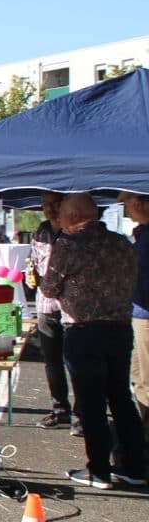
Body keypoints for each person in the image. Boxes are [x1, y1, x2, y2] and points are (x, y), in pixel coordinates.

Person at [40, 192, 145, 490]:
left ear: (74, 216)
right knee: (121, 398)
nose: (59, 219)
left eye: (62, 213)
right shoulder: (121, 243)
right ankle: (135, 466)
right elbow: (132, 280)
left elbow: (48, 287)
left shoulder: (68, 244)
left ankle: (98, 469)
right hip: (119, 328)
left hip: (84, 330)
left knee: (91, 401)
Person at [29, 192, 78, 432]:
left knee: (76, 362)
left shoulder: (76, 232)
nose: (48, 208)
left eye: (54, 203)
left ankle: (82, 414)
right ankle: (60, 410)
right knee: (51, 362)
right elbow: (35, 263)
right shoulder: (40, 231)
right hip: (46, 305)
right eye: (45, 204)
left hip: (73, 308)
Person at [121, 192, 149, 453]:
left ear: (139, 203)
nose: (125, 209)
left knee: (146, 381)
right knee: (138, 379)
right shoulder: (142, 235)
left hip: (146, 316)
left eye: (126, 203)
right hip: (139, 314)